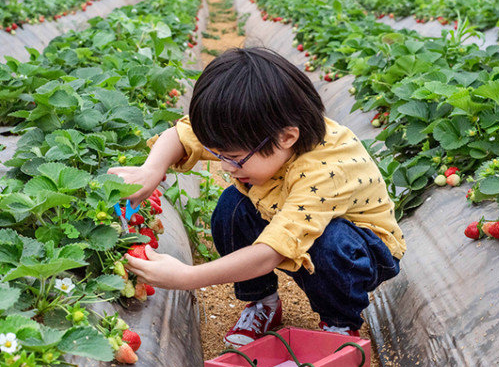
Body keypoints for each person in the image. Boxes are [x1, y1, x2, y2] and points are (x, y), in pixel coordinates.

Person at [108, 48, 405, 347]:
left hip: (362, 250)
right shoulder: (254, 125)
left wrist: (186, 277)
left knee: (329, 244)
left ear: (287, 137)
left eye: (235, 158)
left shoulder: (325, 171)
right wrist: (151, 170)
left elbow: (272, 251)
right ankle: (263, 303)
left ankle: (339, 323)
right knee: (230, 208)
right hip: (283, 213)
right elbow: (182, 134)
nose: (225, 166)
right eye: (217, 154)